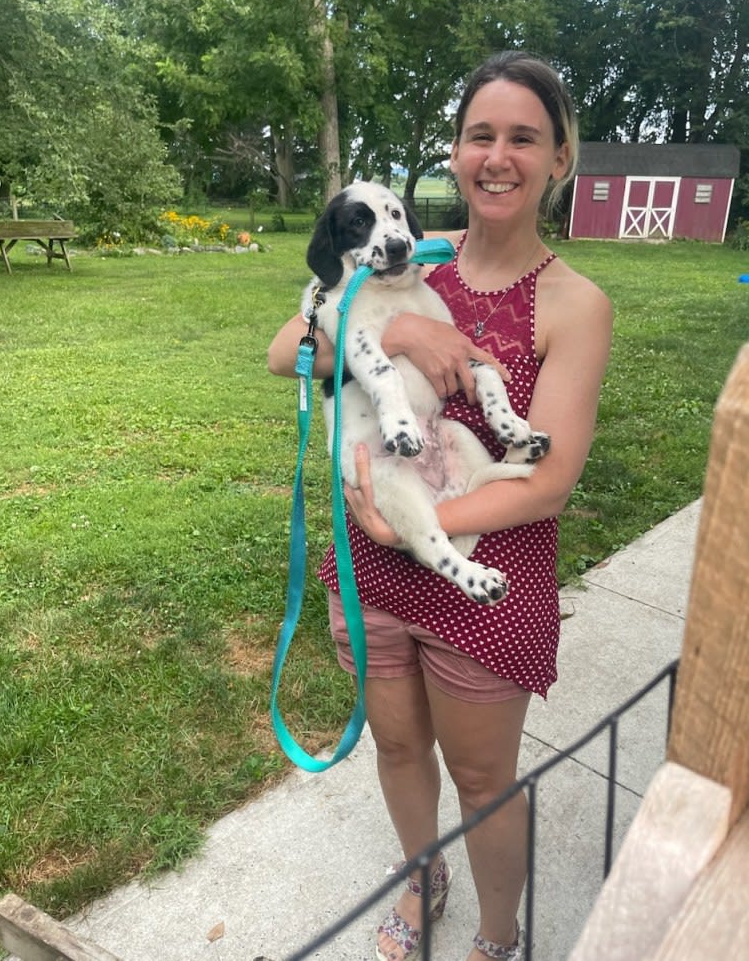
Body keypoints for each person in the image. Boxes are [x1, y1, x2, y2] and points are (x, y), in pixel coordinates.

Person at [268, 51, 612, 961]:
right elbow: (282, 350)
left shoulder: (577, 304)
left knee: (483, 774)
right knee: (397, 750)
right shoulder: (409, 254)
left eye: (523, 138)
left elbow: (550, 479)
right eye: (480, 136)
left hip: (477, 570)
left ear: (560, 158)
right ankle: (424, 881)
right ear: (456, 155)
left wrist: (412, 530)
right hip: (372, 568)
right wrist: (406, 324)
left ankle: (499, 938)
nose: (498, 156)